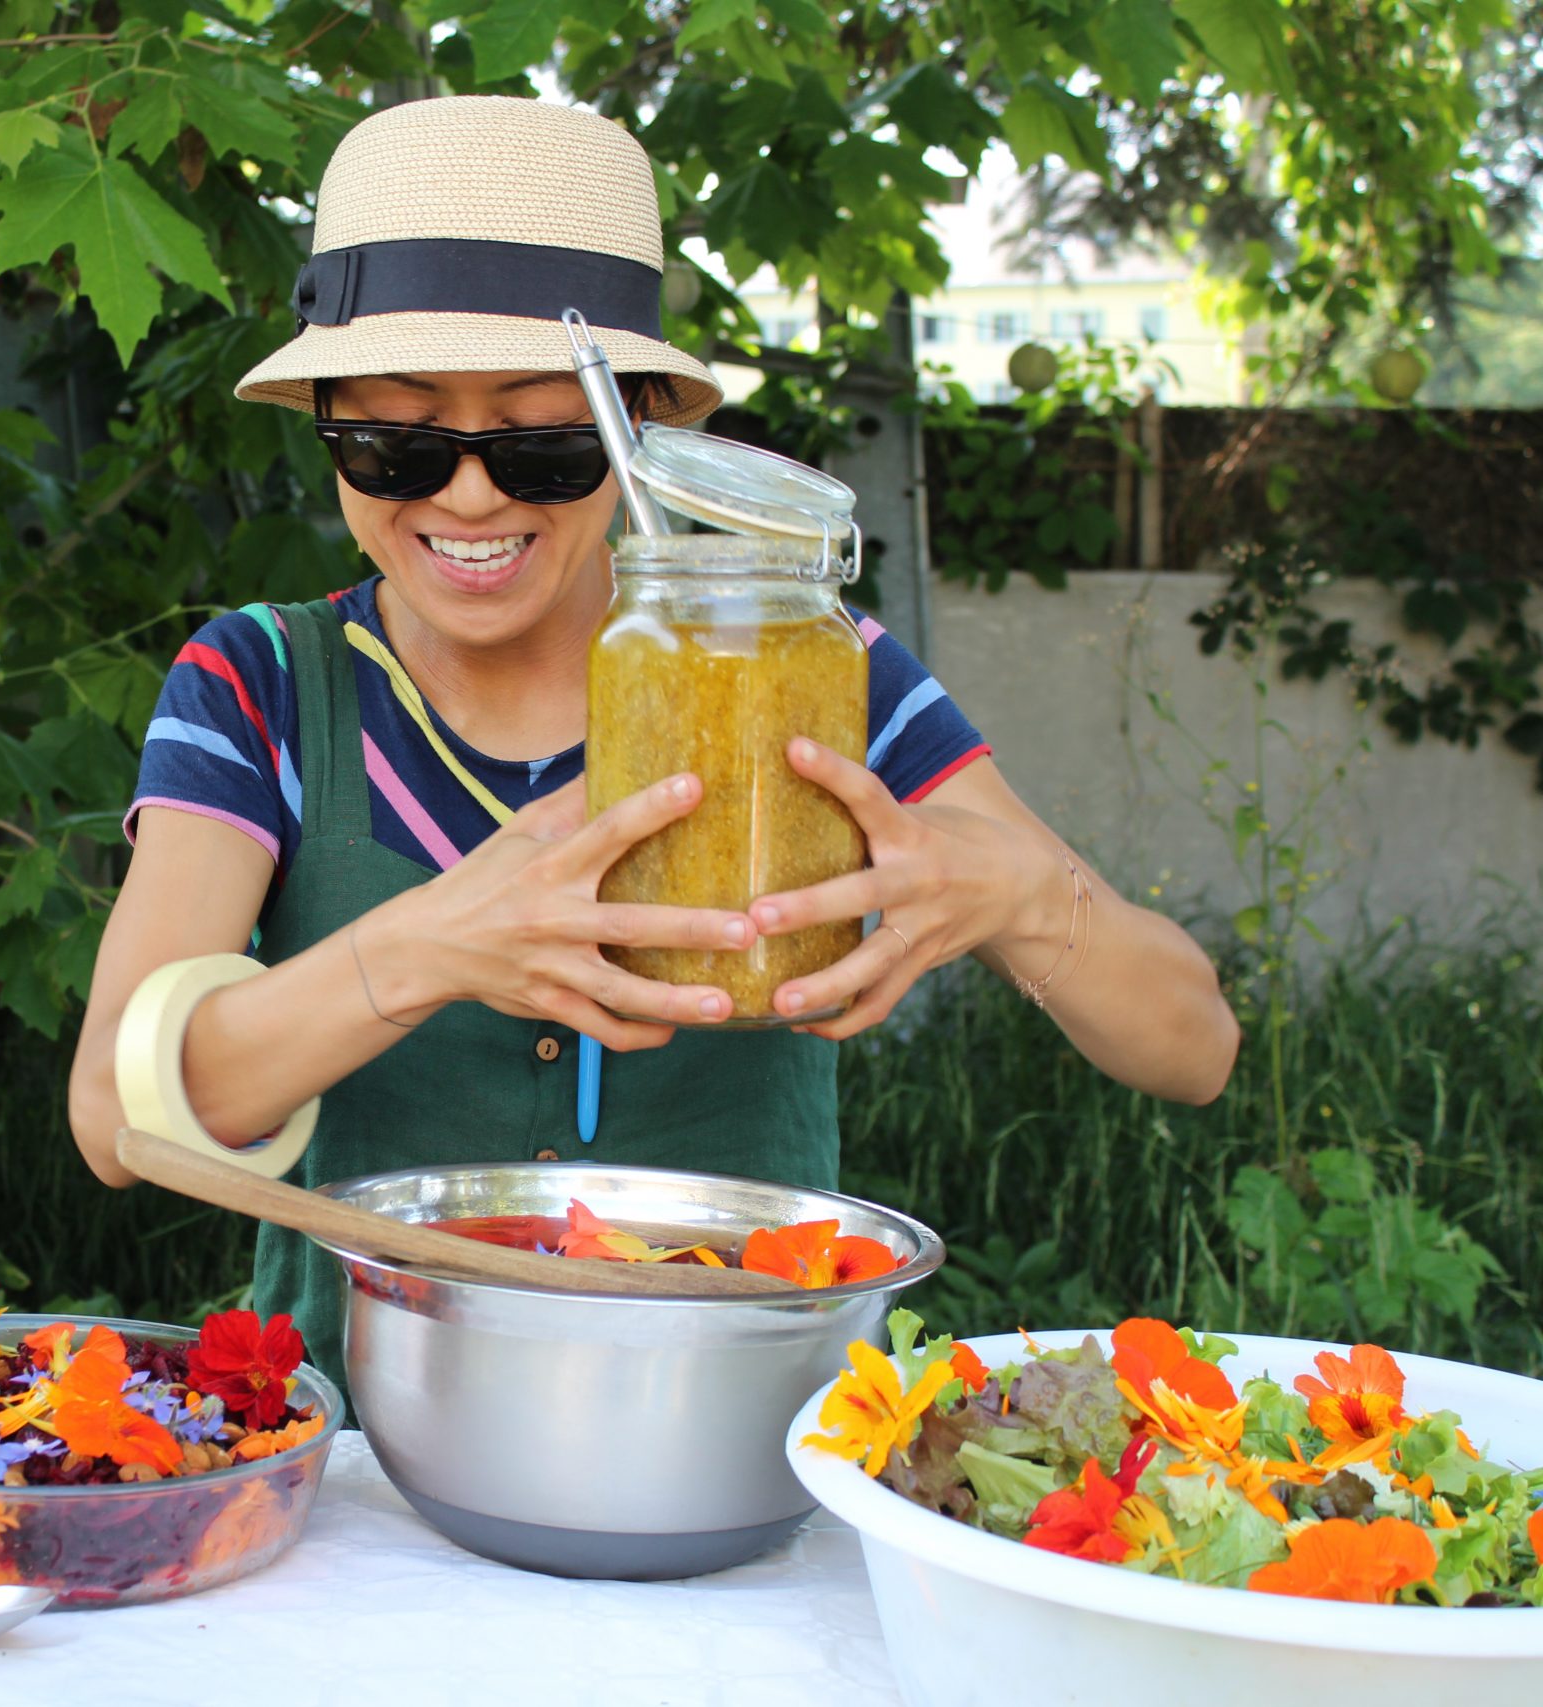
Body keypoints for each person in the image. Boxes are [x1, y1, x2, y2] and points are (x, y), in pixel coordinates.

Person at [67, 96, 1238, 1368]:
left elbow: (1192, 1049)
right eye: (393, 440)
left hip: (732, 1432)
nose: (467, 494)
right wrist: (428, 948)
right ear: (324, 428)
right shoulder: (262, 685)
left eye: (545, 443)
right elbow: (117, 1122)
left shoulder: (809, 670)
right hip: (365, 1462)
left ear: (646, 435)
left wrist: (1021, 894)